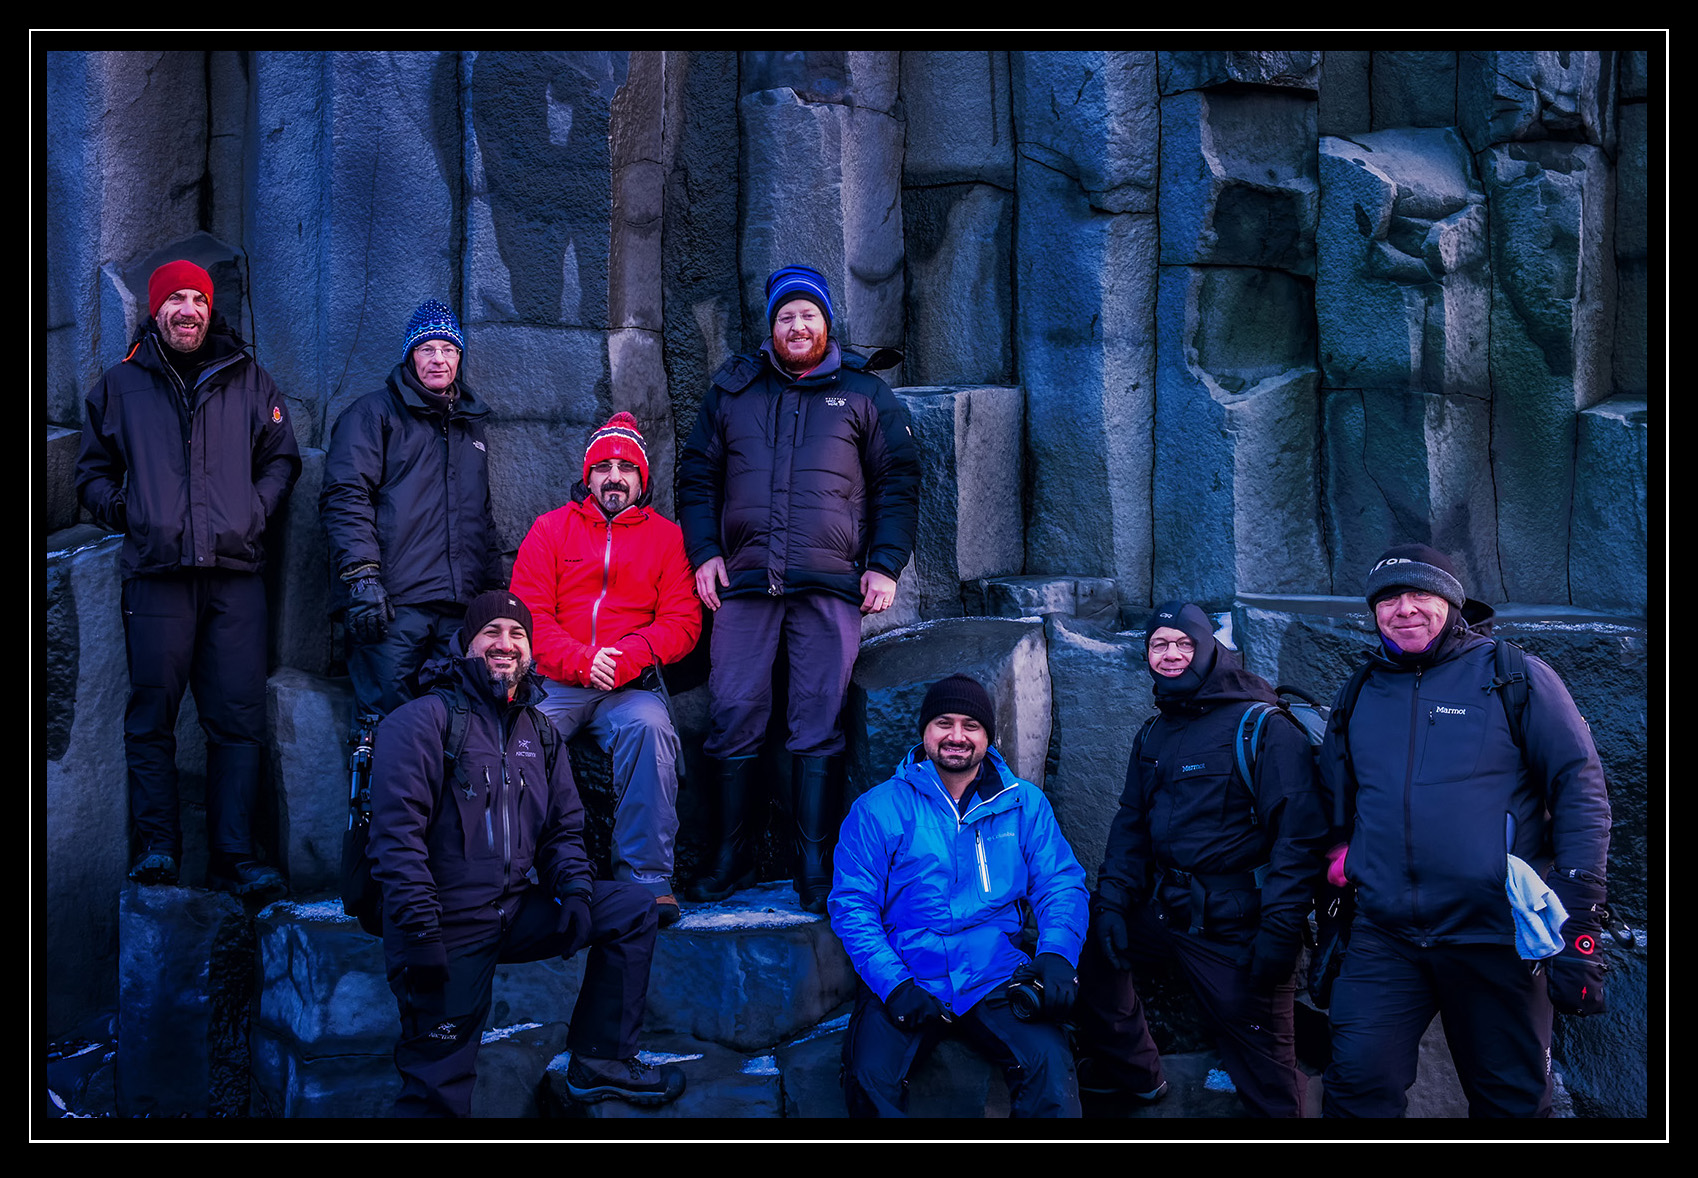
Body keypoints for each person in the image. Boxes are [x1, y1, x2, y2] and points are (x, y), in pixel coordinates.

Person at [1319, 544, 1612, 1118]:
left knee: (1511, 1104)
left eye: (1420, 594)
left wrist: (1579, 917)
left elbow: (1580, 790)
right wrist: (1343, 855)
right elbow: (1337, 798)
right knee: (1355, 1088)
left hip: (1495, 935)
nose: (1405, 609)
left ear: (1451, 603)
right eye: (1389, 598)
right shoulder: (1359, 690)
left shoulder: (1513, 675)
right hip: (1385, 935)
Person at [369, 589, 685, 1117]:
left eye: (518, 634)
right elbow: (396, 843)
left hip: (514, 910)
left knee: (632, 909)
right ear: (465, 645)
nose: (506, 643)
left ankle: (600, 1061)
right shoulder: (420, 721)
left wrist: (575, 893)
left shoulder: (538, 729)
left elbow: (563, 828)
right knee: (437, 1091)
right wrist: (420, 934)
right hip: (444, 927)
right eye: (491, 631)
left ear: (531, 651)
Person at [675, 264, 921, 911]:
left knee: (818, 719)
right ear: (772, 327)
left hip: (831, 583)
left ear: (827, 323)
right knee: (732, 711)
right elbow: (696, 476)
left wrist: (885, 563)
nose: (798, 325)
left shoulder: (864, 393)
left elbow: (898, 481)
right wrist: (704, 553)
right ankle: (731, 859)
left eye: (808, 314)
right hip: (744, 583)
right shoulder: (733, 391)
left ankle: (815, 862)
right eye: (786, 316)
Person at [76, 259, 301, 897]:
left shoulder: (248, 377)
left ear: (209, 309)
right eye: (174, 299)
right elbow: (91, 472)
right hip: (157, 576)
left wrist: (253, 511)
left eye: (197, 299)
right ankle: (159, 849)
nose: (187, 310)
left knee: (238, 721)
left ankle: (233, 856)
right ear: (156, 310)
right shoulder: (121, 384)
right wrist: (131, 512)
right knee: (152, 716)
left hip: (235, 577)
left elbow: (281, 459)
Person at [1074, 602, 1329, 1117]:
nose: (1171, 655)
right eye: (1158, 645)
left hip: (1238, 926)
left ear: (1210, 649)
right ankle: (1136, 1075)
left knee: (1270, 1085)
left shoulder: (1263, 727)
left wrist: (1280, 933)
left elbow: (1298, 838)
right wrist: (1113, 904)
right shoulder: (1154, 732)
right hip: (1165, 908)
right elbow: (1131, 824)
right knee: (1085, 940)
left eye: (1184, 644)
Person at [829, 674, 1088, 1118]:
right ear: (924, 731)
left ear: (989, 736)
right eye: (943, 723)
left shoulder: (1023, 804)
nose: (956, 736)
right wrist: (894, 985)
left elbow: (1059, 883)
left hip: (995, 971)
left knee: (1049, 1065)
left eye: (971, 725)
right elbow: (853, 906)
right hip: (909, 970)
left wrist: (1058, 953)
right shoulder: (877, 808)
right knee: (868, 1078)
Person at [509, 413, 702, 928]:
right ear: (588, 476)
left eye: (626, 468)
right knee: (520, 738)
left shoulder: (668, 539)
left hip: (630, 685)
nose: (614, 477)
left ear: (642, 478)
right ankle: (514, 872)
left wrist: (623, 658)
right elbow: (528, 616)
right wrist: (581, 659)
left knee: (651, 730)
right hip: (557, 681)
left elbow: (682, 622)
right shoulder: (550, 530)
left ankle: (646, 880)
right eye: (604, 467)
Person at [319, 299, 501, 724]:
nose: (439, 359)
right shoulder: (372, 414)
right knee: (388, 725)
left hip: (458, 609)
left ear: (459, 357)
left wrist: (493, 597)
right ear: (410, 356)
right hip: (391, 606)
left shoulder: (471, 426)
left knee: (456, 727)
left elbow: (483, 518)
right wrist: (362, 578)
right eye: (427, 348)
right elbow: (345, 496)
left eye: (448, 349)